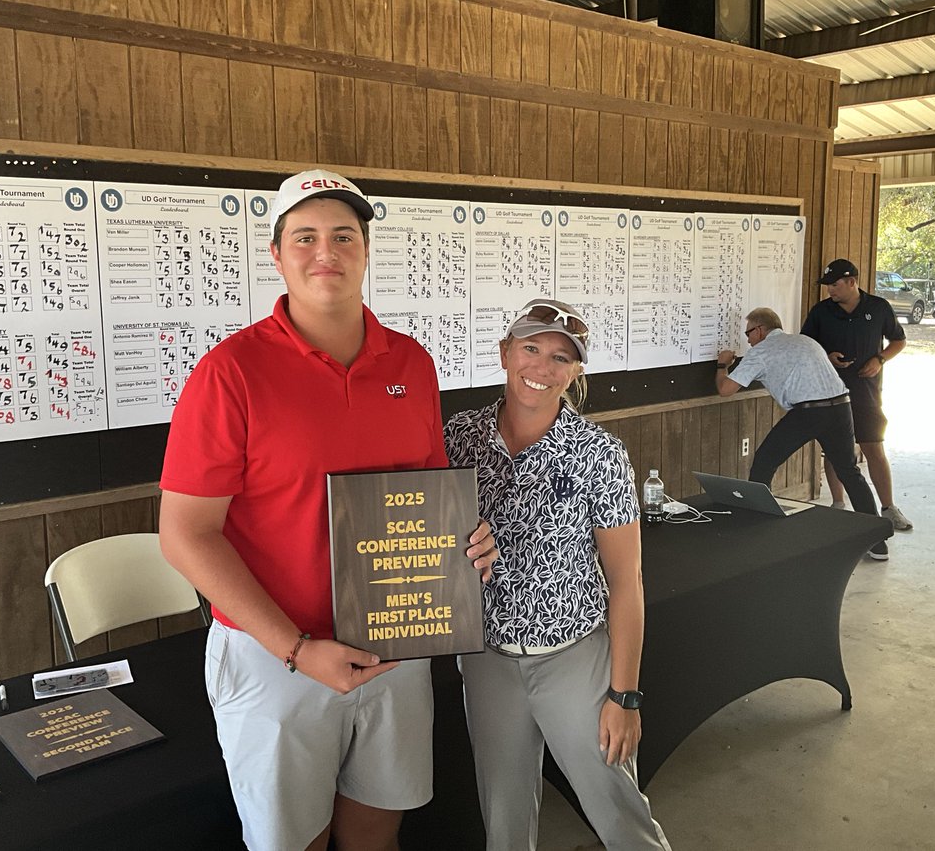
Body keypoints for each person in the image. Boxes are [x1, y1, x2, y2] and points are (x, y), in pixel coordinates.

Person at [158, 168, 496, 851]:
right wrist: (296, 649)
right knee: (295, 842)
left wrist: (464, 548)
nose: (326, 252)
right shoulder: (230, 372)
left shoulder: (411, 362)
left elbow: (427, 496)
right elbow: (186, 536)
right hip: (275, 657)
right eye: (305, 237)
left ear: (366, 249)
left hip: (395, 649)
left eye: (344, 235)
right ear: (277, 255)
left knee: (377, 825)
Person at [444, 299, 672, 851]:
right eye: (531, 348)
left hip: (572, 654)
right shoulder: (459, 436)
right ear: (505, 353)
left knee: (616, 805)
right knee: (503, 814)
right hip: (486, 657)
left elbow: (626, 582)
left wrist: (625, 696)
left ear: (575, 373)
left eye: (561, 358)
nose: (542, 368)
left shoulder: (599, 453)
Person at [716, 307, 889, 561]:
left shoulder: (760, 352)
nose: (748, 340)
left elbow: (725, 389)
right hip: (841, 406)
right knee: (849, 472)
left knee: (764, 463)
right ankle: (878, 543)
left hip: (809, 412)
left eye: (748, 333)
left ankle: (753, 532)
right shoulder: (805, 341)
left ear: (761, 330)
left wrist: (722, 365)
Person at [801, 258, 913, 532]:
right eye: (828, 285)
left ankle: (888, 508)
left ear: (852, 282)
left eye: (835, 285)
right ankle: (839, 505)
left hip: (867, 393)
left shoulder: (878, 308)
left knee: (873, 447)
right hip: (831, 392)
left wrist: (880, 359)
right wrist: (827, 357)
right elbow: (806, 346)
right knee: (835, 451)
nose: (830, 290)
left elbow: (899, 340)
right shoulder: (821, 312)